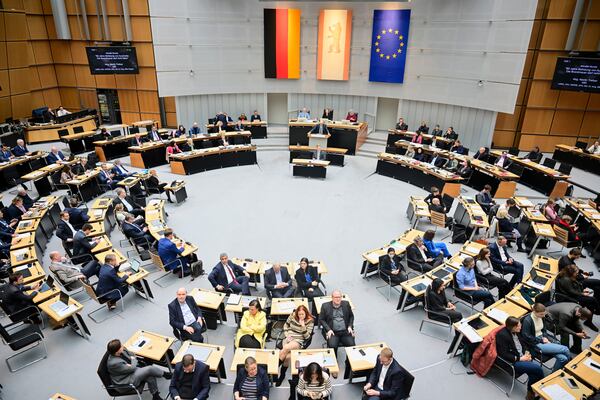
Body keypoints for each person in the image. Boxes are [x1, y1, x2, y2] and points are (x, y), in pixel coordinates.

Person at [495, 317, 544, 400]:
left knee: (534, 373)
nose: (521, 327)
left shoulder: (516, 332)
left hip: (522, 356)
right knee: (538, 369)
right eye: (519, 326)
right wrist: (520, 359)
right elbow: (503, 354)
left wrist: (526, 353)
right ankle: (536, 390)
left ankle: (531, 394)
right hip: (512, 362)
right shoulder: (502, 335)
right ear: (512, 327)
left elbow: (523, 344)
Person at [106, 339, 170, 400]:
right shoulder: (114, 363)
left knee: (150, 374)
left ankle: (156, 396)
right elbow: (132, 368)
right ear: (117, 351)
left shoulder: (122, 350)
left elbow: (132, 354)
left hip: (130, 372)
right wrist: (133, 360)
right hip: (126, 380)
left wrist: (132, 361)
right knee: (149, 369)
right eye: (121, 346)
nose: (122, 346)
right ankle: (166, 375)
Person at [521, 303, 571, 372]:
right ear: (534, 312)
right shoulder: (527, 321)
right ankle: (570, 368)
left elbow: (544, 330)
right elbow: (527, 337)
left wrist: (545, 337)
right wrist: (541, 340)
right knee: (565, 349)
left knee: (563, 359)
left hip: (543, 339)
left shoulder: (542, 317)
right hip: (536, 343)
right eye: (541, 314)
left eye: (544, 314)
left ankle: (553, 374)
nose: (543, 316)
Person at [277, 305, 315, 385]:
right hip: (289, 337)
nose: (300, 316)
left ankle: (274, 369)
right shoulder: (293, 315)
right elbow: (286, 325)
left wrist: (303, 326)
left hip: (298, 340)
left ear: (306, 313)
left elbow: (307, 337)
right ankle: (282, 375)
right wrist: (287, 335)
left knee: (286, 348)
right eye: (299, 314)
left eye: (302, 314)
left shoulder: (310, 321)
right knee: (287, 357)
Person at [555, 265, 598, 331]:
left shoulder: (567, 275)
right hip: (568, 298)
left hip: (571, 293)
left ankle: (591, 317)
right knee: (592, 300)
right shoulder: (565, 280)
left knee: (592, 299)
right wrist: (582, 293)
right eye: (576, 273)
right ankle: (595, 312)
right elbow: (571, 291)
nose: (577, 274)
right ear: (571, 273)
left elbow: (574, 286)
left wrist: (581, 291)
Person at [320, 289, 355, 356]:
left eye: (339, 297)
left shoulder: (346, 304)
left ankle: (348, 364)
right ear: (332, 298)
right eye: (336, 297)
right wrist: (328, 330)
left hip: (345, 331)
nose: (338, 299)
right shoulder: (325, 306)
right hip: (333, 332)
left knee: (352, 346)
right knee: (332, 346)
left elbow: (351, 316)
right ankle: (334, 361)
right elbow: (321, 319)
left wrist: (350, 326)